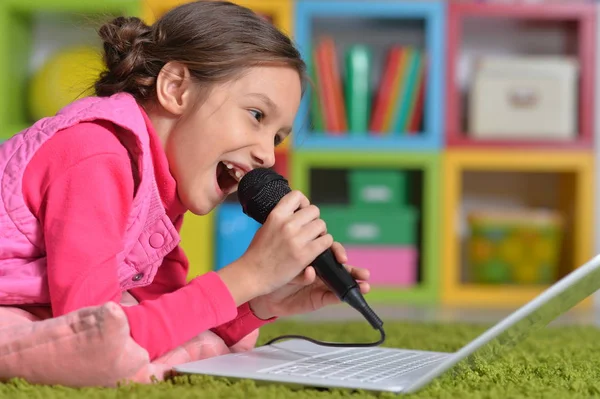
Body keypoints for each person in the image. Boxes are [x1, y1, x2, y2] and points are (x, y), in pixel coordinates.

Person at [0, 0, 371, 362]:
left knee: (171, 338)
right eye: (256, 115)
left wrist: (261, 300)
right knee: (114, 347)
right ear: (176, 88)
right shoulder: (96, 153)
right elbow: (90, 336)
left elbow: (177, 319)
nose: (268, 156)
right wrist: (249, 274)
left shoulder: (158, 190)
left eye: (277, 138)